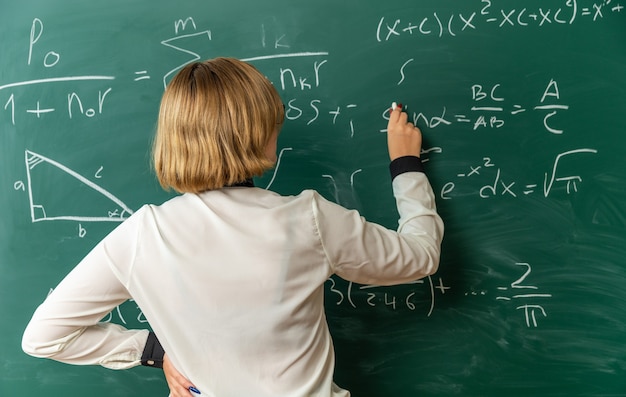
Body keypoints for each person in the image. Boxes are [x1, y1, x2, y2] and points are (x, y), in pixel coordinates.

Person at [22, 57, 444, 397]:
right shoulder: (307, 219)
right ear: (259, 135)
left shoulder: (142, 234)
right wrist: (406, 167)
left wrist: (155, 351)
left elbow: (44, 337)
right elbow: (421, 257)